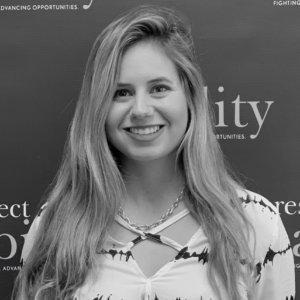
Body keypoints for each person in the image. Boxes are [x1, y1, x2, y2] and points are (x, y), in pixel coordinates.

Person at [14, 5, 295, 300]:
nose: (141, 110)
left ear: (190, 96)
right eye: (121, 92)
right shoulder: (56, 225)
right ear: (98, 107)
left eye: (159, 88)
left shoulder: (255, 223)